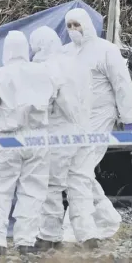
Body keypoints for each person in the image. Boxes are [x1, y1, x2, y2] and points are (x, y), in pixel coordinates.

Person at [61, 8, 132, 239]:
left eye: (77, 25)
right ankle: (108, 219)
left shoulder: (106, 50)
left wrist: (128, 119)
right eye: (70, 26)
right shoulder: (66, 52)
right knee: (76, 170)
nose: (74, 30)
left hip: (101, 116)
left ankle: (74, 229)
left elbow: (121, 84)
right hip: (75, 118)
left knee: (80, 170)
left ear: (87, 24)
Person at [28, 26, 103, 250]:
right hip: (83, 133)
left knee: (50, 185)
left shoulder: (45, 68)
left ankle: (49, 237)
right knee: (79, 183)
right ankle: (89, 236)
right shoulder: (75, 64)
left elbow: (42, 103)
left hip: (58, 135)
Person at [0, 31, 58, 256]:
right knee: (33, 190)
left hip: (7, 137)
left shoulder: (0, 75)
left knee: (0, 190)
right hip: (38, 138)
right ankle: (25, 241)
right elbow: (54, 97)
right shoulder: (43, 72)